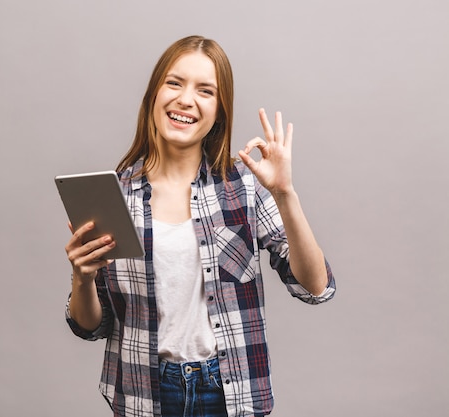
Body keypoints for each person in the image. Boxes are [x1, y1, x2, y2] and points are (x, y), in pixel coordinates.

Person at [63, 35, 336, 417]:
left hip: (229, 392)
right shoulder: (115, 196)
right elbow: (92, 326)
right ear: (154, 94)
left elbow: (315, 286)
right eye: (174, 83)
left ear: (219, 111)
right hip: (144, 393)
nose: (186, 100)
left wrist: (285, 193)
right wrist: (82, 277)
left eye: (205, 90)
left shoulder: (242, 186)